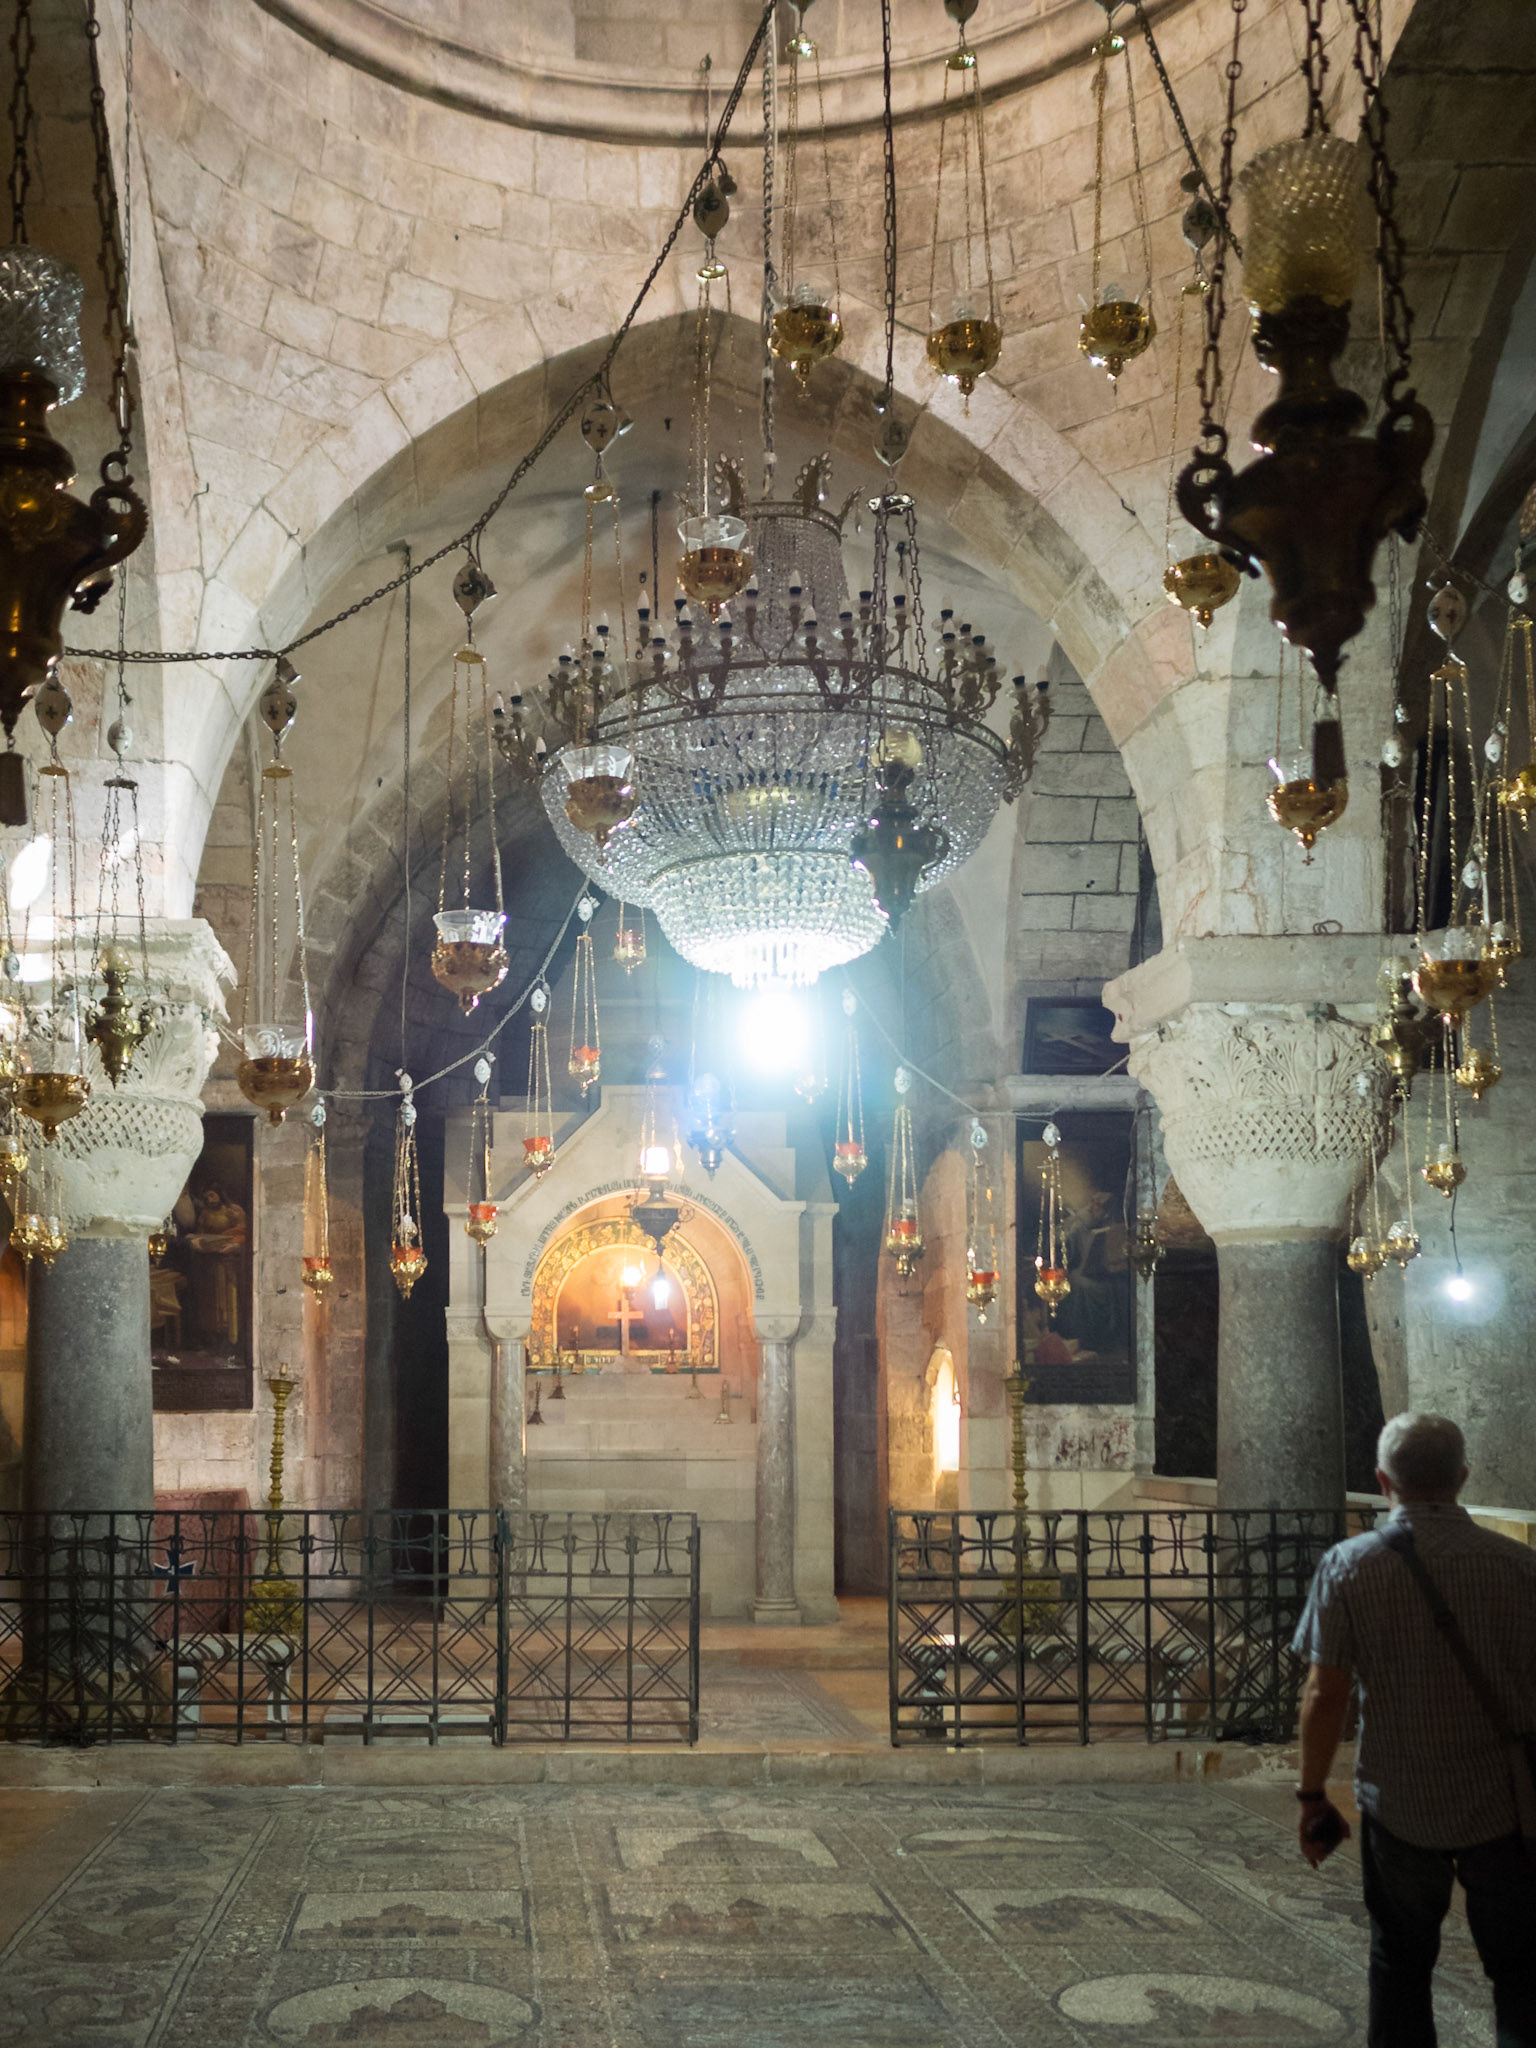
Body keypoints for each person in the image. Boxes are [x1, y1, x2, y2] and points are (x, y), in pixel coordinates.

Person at [1292, 1412, 1536, 2048]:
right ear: (1461, 1477)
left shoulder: (1349, 1566)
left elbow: (1326, 1693)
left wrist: (1313, 1795)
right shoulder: (1520, 1568)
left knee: (1400, 1967)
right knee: (1520, 1974)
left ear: (1382, 1480)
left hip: (1399, 1799)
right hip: (1509, 1804)